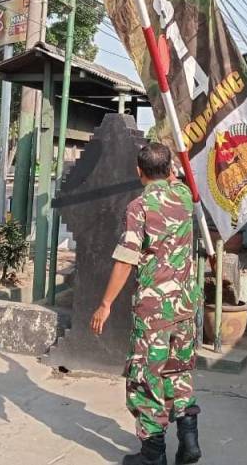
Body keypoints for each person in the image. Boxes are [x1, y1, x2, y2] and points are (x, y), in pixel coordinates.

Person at [90, 142, 202, 465]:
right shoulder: (183, 196)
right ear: (169, 171)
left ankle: (153, 455)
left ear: (138, 172)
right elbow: (177, 176)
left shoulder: (138, 207)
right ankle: (189, 439)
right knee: (178, 370)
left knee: (146, 376)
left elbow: (126, 261)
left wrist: (105, 303)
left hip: (155, 310)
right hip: (185, 303)